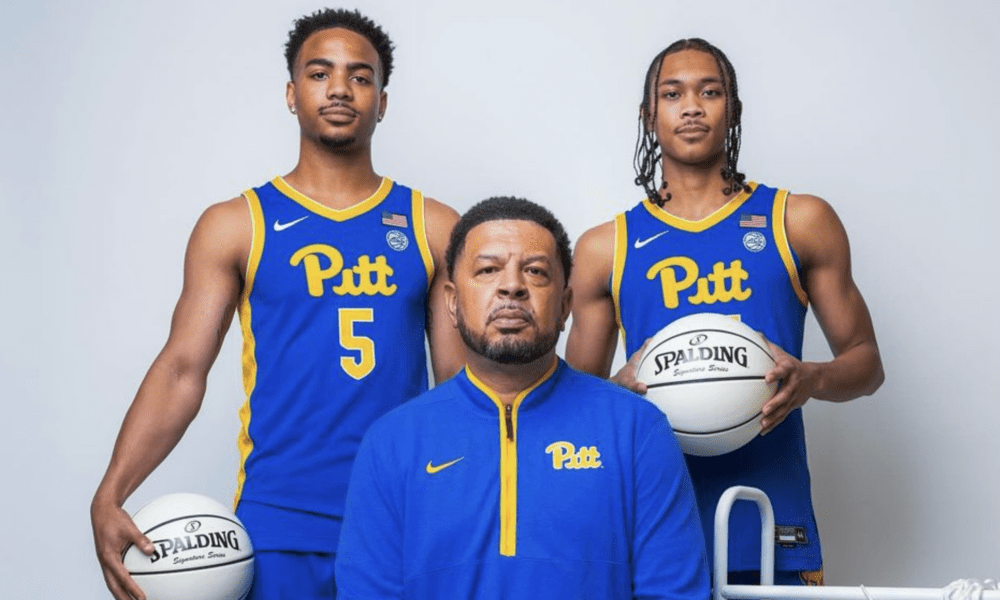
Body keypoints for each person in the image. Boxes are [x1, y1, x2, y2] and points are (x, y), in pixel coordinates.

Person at [90, 9, 463, 600]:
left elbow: (461, 389)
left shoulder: (434, 227)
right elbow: (183, 369)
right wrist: (111, 492)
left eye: (360, 77)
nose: (340, 88)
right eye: (320, 73)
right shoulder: (236, 224)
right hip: (277, 521)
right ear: (292, 94)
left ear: (382, 101)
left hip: (401, 514)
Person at [566, 38, 884, 586]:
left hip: (771, 517)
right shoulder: (606, 247)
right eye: (673, 93)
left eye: (710, 91)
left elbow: (867, 364)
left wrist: (812, 378)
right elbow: (568, 404)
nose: (691, 106)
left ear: (732, 109)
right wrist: (612, 392)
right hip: (650, 523)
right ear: (649, 115)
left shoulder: (797, 221)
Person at [335, 196, 710, 600]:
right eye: (487, 269)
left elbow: (675, 593)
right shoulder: (392, 442)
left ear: (565, 305)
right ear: (452, 302)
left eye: (534, 271)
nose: (512, 285)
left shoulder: (638, 430)